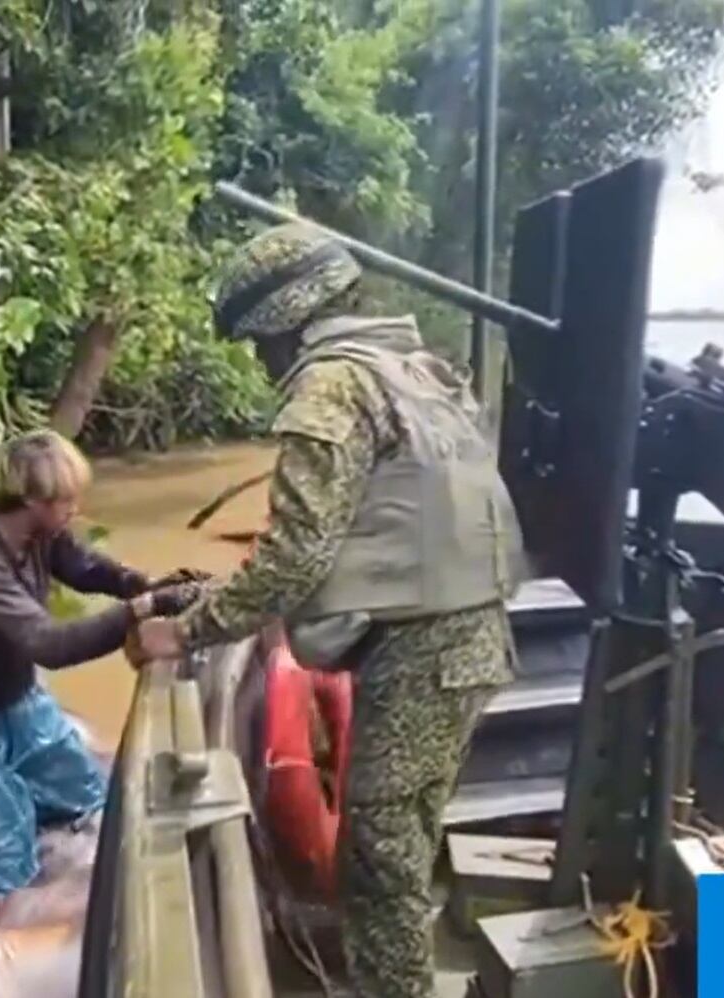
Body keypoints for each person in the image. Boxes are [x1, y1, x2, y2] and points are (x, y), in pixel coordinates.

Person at [134, 222, 528, 997]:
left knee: (380, 858)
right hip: (468, 641)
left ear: (287, 322)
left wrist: (182, 631)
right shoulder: (416, 369)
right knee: (398, 841)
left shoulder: (334, 385)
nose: (260, 361)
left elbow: (296, 557)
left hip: (424, 653)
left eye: (258, 342)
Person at [0, 429, 205, 928]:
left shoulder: (39, 536)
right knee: (2, 870)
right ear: (31, 500)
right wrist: (145, 609)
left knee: (86, 798)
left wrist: (138, 582)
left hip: (19, 699)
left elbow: (84, 565)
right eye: (66, 498)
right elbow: (50, 646)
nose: (76, 507)